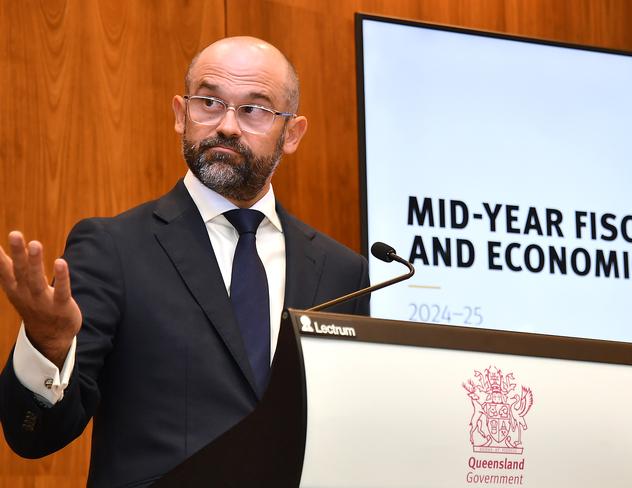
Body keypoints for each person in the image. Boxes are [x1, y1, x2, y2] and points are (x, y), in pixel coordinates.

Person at [0, 36, 369, 487]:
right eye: (209, 102)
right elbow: (34, 437)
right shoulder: (114, 249)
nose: (227, 126)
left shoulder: (341, 272)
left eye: (254, 109)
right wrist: (49, 346)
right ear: (181, 114)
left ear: (291, 133)